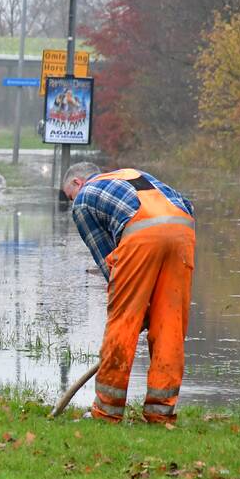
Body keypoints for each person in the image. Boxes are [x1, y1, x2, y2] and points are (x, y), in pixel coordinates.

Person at [62, 162, 195, 424]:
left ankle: (106, 412)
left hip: (142, 232)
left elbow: (107, 259)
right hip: (183, 229)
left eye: (69, 196)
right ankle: (161, 413)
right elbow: (186, 204)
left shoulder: (85, 197)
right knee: (169, 324)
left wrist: (133, 301)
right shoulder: (129, 176)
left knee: (123, 321)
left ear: (78, 183)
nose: (71, 203)